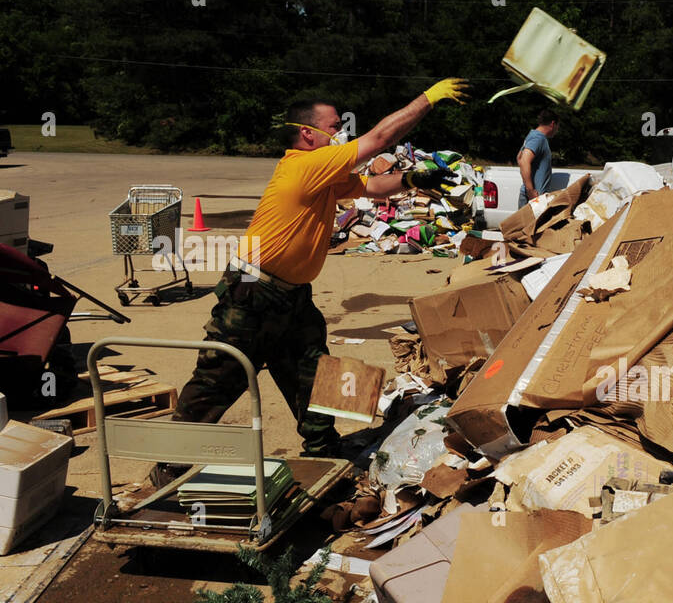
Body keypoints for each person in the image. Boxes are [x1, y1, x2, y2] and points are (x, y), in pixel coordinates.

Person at [163, 79, 467, 478]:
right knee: (219, 378)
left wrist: (413, 181)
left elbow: (371, 186)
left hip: (292, 296)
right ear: (309, 133)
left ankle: (325, 453)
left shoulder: (323, 172)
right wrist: (428, 99)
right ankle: (170, 465)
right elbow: (377, 139)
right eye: (335, 125)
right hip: (253, 293)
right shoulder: (305, 165)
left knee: (314, 372)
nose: (342, 132)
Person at [517, 108, 558, 206]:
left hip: (532, 198)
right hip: (534, 199)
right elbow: (523, 161)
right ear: (552, 124)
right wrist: (530, 191)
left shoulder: (532, 135)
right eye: (558, 126)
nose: (557, 130)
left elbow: (519, 158)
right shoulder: (538, 138)